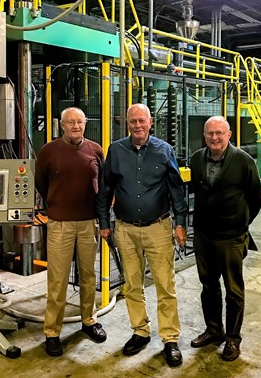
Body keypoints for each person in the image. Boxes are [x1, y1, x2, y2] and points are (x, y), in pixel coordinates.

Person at [96, 103, 188, 367]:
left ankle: (170, 338)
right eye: (132, 121)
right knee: (131, 285)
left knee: (164, 285)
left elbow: (176, 190)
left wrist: (180, 223)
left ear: (150, 123)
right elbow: (105, 189)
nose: (137, 125)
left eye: (141, 121)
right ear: (127, 123)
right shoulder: (116, 150)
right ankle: (140, 331)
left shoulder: (164, 150)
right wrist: (104, 222)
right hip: (124, 229)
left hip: (158, 227)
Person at [189, 116, 261, 362]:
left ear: (229, 134)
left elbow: (256, 197)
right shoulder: (197, 159)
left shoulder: (244, 161)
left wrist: (240, 224)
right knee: (208, 286)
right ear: (204, 135)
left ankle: (232, 337)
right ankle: (214, 330)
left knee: (233, 290)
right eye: (210, 133)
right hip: (203, 235)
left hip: (231, 237)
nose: (215, 138)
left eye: (220, 133)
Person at [35, 107, 107, 357]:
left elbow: (102, 182)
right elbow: (41, 183)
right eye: (71, 122)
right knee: (58, 279)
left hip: (89, 223)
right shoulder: (48, 151)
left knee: (88, 275)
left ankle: (89, 320)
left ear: (85, 124)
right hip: (60, 224)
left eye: (80, 122)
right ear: (62, 125)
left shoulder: (95, 149)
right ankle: (52, 331)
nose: (76, 126)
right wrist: (56, 205)